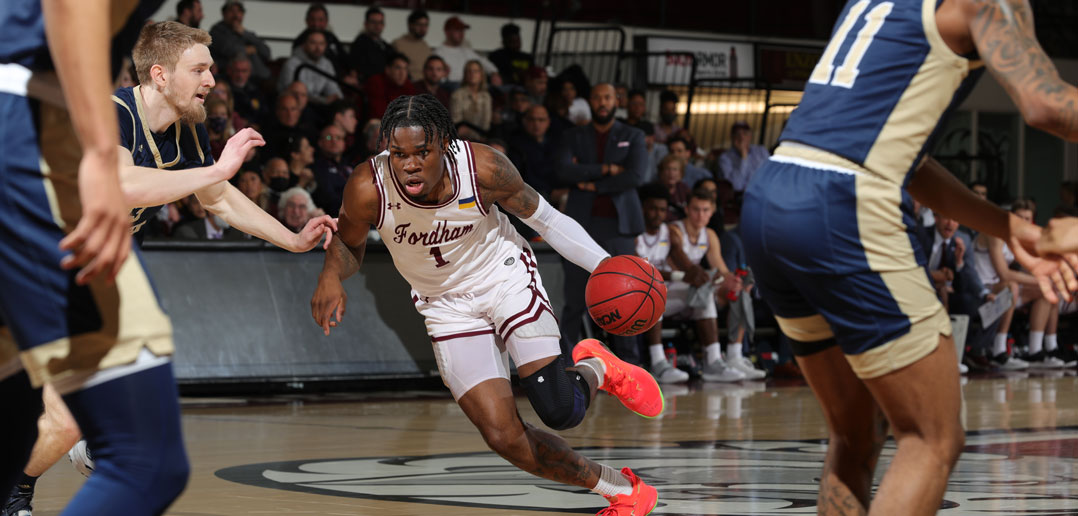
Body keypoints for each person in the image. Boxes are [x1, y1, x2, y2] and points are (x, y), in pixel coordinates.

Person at [739, 0, 1078, 514]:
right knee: (932, 438)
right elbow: (1046, 105)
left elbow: (909, 161)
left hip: (771, 196)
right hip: (843, 207)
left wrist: (1011, 227)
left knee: (854, 434)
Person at [3, 23, 340, 516]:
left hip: (88, 273)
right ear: (159, 75)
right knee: (65, 416)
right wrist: (217, 171)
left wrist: (291, 239)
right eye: (199, 69)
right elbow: (119, 184)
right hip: (33, 261)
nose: (212, 80)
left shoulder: (189, 128)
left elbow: (217, 198)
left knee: (74, 417)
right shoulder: (110, 112)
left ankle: (31, 483)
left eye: (212, 69)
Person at [311, 94, 660, 516]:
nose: (408, 164)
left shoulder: (483, 169)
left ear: (443, 143)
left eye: (421, 152)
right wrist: (330, 276)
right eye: (398, 153)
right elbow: (348, 245)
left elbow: (546, 220)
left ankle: (598, 366)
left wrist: (606, 267)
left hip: (503, 278)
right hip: (444, 306)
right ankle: (623, 491)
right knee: (503, 437)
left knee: (560, 410)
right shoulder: (368, 186)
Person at [0, 1, 180, 514]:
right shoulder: (124, 112)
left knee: (12, 427)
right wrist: (101, 153)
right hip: (25, 125)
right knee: (145, 458)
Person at [554, 84, 648, 363]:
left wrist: (591, 184)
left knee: (627, 297)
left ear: (616, 101)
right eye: (597, 97)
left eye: (607, 97)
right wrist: (606, 170)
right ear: (591, 102)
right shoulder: (573, 135)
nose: (602, 102)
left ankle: (630, 365)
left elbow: (635, 176)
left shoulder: (633, 135)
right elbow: (562, 170)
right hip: (580, 227)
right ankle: (569, 364)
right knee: (575, 299)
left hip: (619, 228)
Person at [209, 0, 272, 83]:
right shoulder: (216, 32)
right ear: (224, 14)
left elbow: (266, 52)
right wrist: (248, 49)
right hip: (230, 78)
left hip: (258, 79)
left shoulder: (246, 33)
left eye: (239, 11)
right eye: (231, 11)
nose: (235, 15)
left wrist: (245, 33)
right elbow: (231, 50)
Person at [278, 30, 342, 106]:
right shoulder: (292, 63)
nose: (318, 48)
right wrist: (323, 100)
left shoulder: (326, 64)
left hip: (317, 104)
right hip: (293, 105)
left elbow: (333, 88)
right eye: (313, 43)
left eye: (321, 44)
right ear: (304, 45)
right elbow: (294, 94)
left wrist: (339, 99)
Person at [433, 16, 500, 86]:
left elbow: (484, 62)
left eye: (462, 30)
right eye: (458, 30)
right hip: (452, 88)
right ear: (447, 32)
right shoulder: (438, 53)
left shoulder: (466, 51)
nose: (462, 33)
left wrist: (494, 73)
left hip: (468, 87)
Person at [290, 3, 347, 74]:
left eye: (320, 20)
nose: (316, 24)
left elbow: (344, 58)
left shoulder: (331, 37)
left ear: (326, 22)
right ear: (306, 21)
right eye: (312, 19)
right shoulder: (300, 41)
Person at [718, 121, 770, 193]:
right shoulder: (725, 158)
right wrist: (744, 156)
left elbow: (770, 176)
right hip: (741, 197)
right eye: (737, 134)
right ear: (732, 137)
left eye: (745, 133)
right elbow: (736, 186)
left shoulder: (761, 151)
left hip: (763, 193)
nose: (741, 137)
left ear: (750, 136)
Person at [312, 124, 351, 216]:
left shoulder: (351, 166)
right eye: (329, 137)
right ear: (320, 142)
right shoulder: (316, 168)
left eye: (338, 138)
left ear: (344, 143)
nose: (334, 141)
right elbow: (328, 199)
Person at [366, 54, 418, 121]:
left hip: (401, 123)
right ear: (388, 70)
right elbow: (378, 113)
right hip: (379, 122)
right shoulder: (376, 82)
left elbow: (413, 112)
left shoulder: (407, 84)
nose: (402, 73)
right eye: (398, 68)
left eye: (405, 69)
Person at [450, 60, 493, 132]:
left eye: (476, 71)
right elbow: (457, 122)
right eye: (469, 71)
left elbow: (486, 124)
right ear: (465, 75)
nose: (472, 74)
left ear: (481, 75)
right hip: (462, 137)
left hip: (483, 136)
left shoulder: (486, 96)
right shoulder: (457, 95)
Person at [350, 7, 391, 82]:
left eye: (380, 22)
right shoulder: (359, 44)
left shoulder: (385, 45)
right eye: (373, 22)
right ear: (366, 24)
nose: (377, 26)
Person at [391, 9, 432, 82]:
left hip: (426, 84)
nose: (423, 28)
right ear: (410, 25)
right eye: (420, 24)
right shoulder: (398, 44)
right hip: (408, 83)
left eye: (426, 25)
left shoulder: (425, 46)